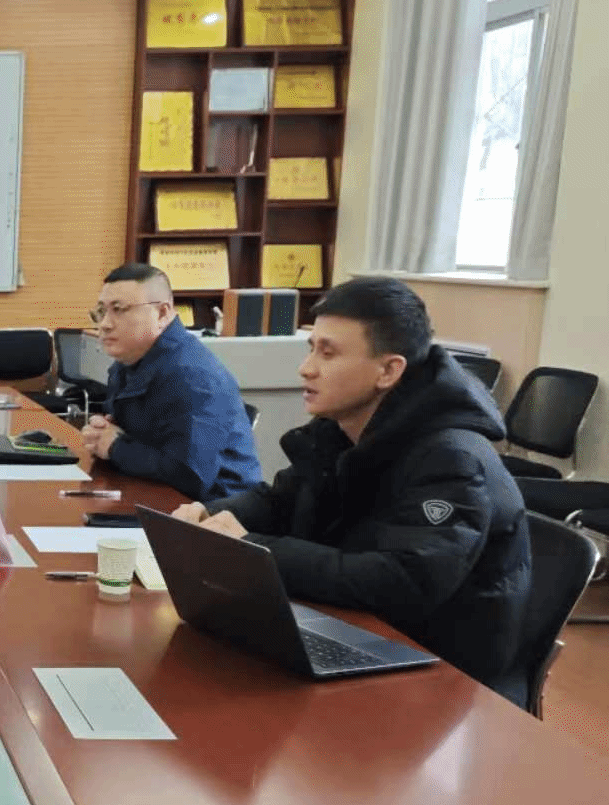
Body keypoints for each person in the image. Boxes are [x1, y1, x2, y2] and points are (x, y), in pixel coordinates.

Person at [174, 277, 532, 703]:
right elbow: (281, 499)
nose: (306, 368)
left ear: (389, 371)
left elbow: (402, 582)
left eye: (328, 353)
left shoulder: (452, 459)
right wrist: (211, 514)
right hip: (353, 632)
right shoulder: (340, 427)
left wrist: (252, 547)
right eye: (311, 348)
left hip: (435, 679)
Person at [79, 263, 261, 500]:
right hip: (152, 492)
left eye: (119, 309)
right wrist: (101, 435)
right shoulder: (127, 363)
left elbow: (191, 475)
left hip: (215, 509)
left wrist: (115, 447)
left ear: (162, 313)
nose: (105, 324)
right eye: (102, 311)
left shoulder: (192, 377)